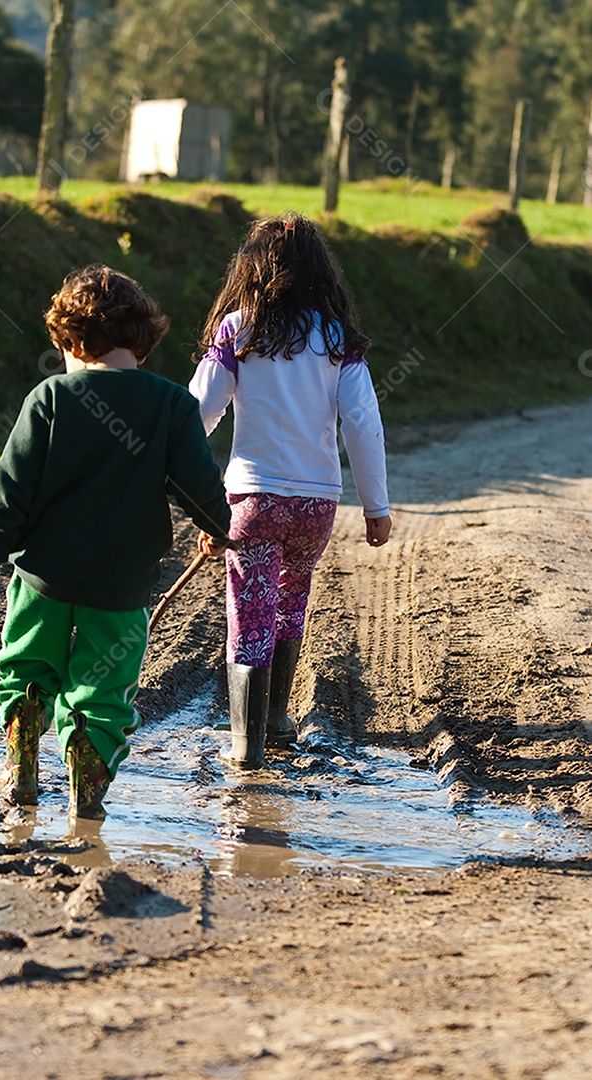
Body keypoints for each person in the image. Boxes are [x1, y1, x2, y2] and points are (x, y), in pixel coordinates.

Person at [0, 265, 231, 820]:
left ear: (74, 339)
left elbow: (12, 487)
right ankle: (88, 780)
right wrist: (219, 527)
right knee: (104, 686)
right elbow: (198, 486)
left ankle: (20, 765)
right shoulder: (172, 405)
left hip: (44, 578)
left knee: (27, 667)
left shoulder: (51, 398)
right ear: (141, 340)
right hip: (122, 585)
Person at [189, 213, 391, 768]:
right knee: (291, 600)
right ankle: (277, 721)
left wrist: (203, 503)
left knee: (248, 613)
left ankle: (245, 745)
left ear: (252, 269)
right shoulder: (338, 340)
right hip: (316, 504)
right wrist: (377, 507)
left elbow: (198, 415)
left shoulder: (238, 331)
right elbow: (363, 424)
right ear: (319, 273)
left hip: (251, 500)